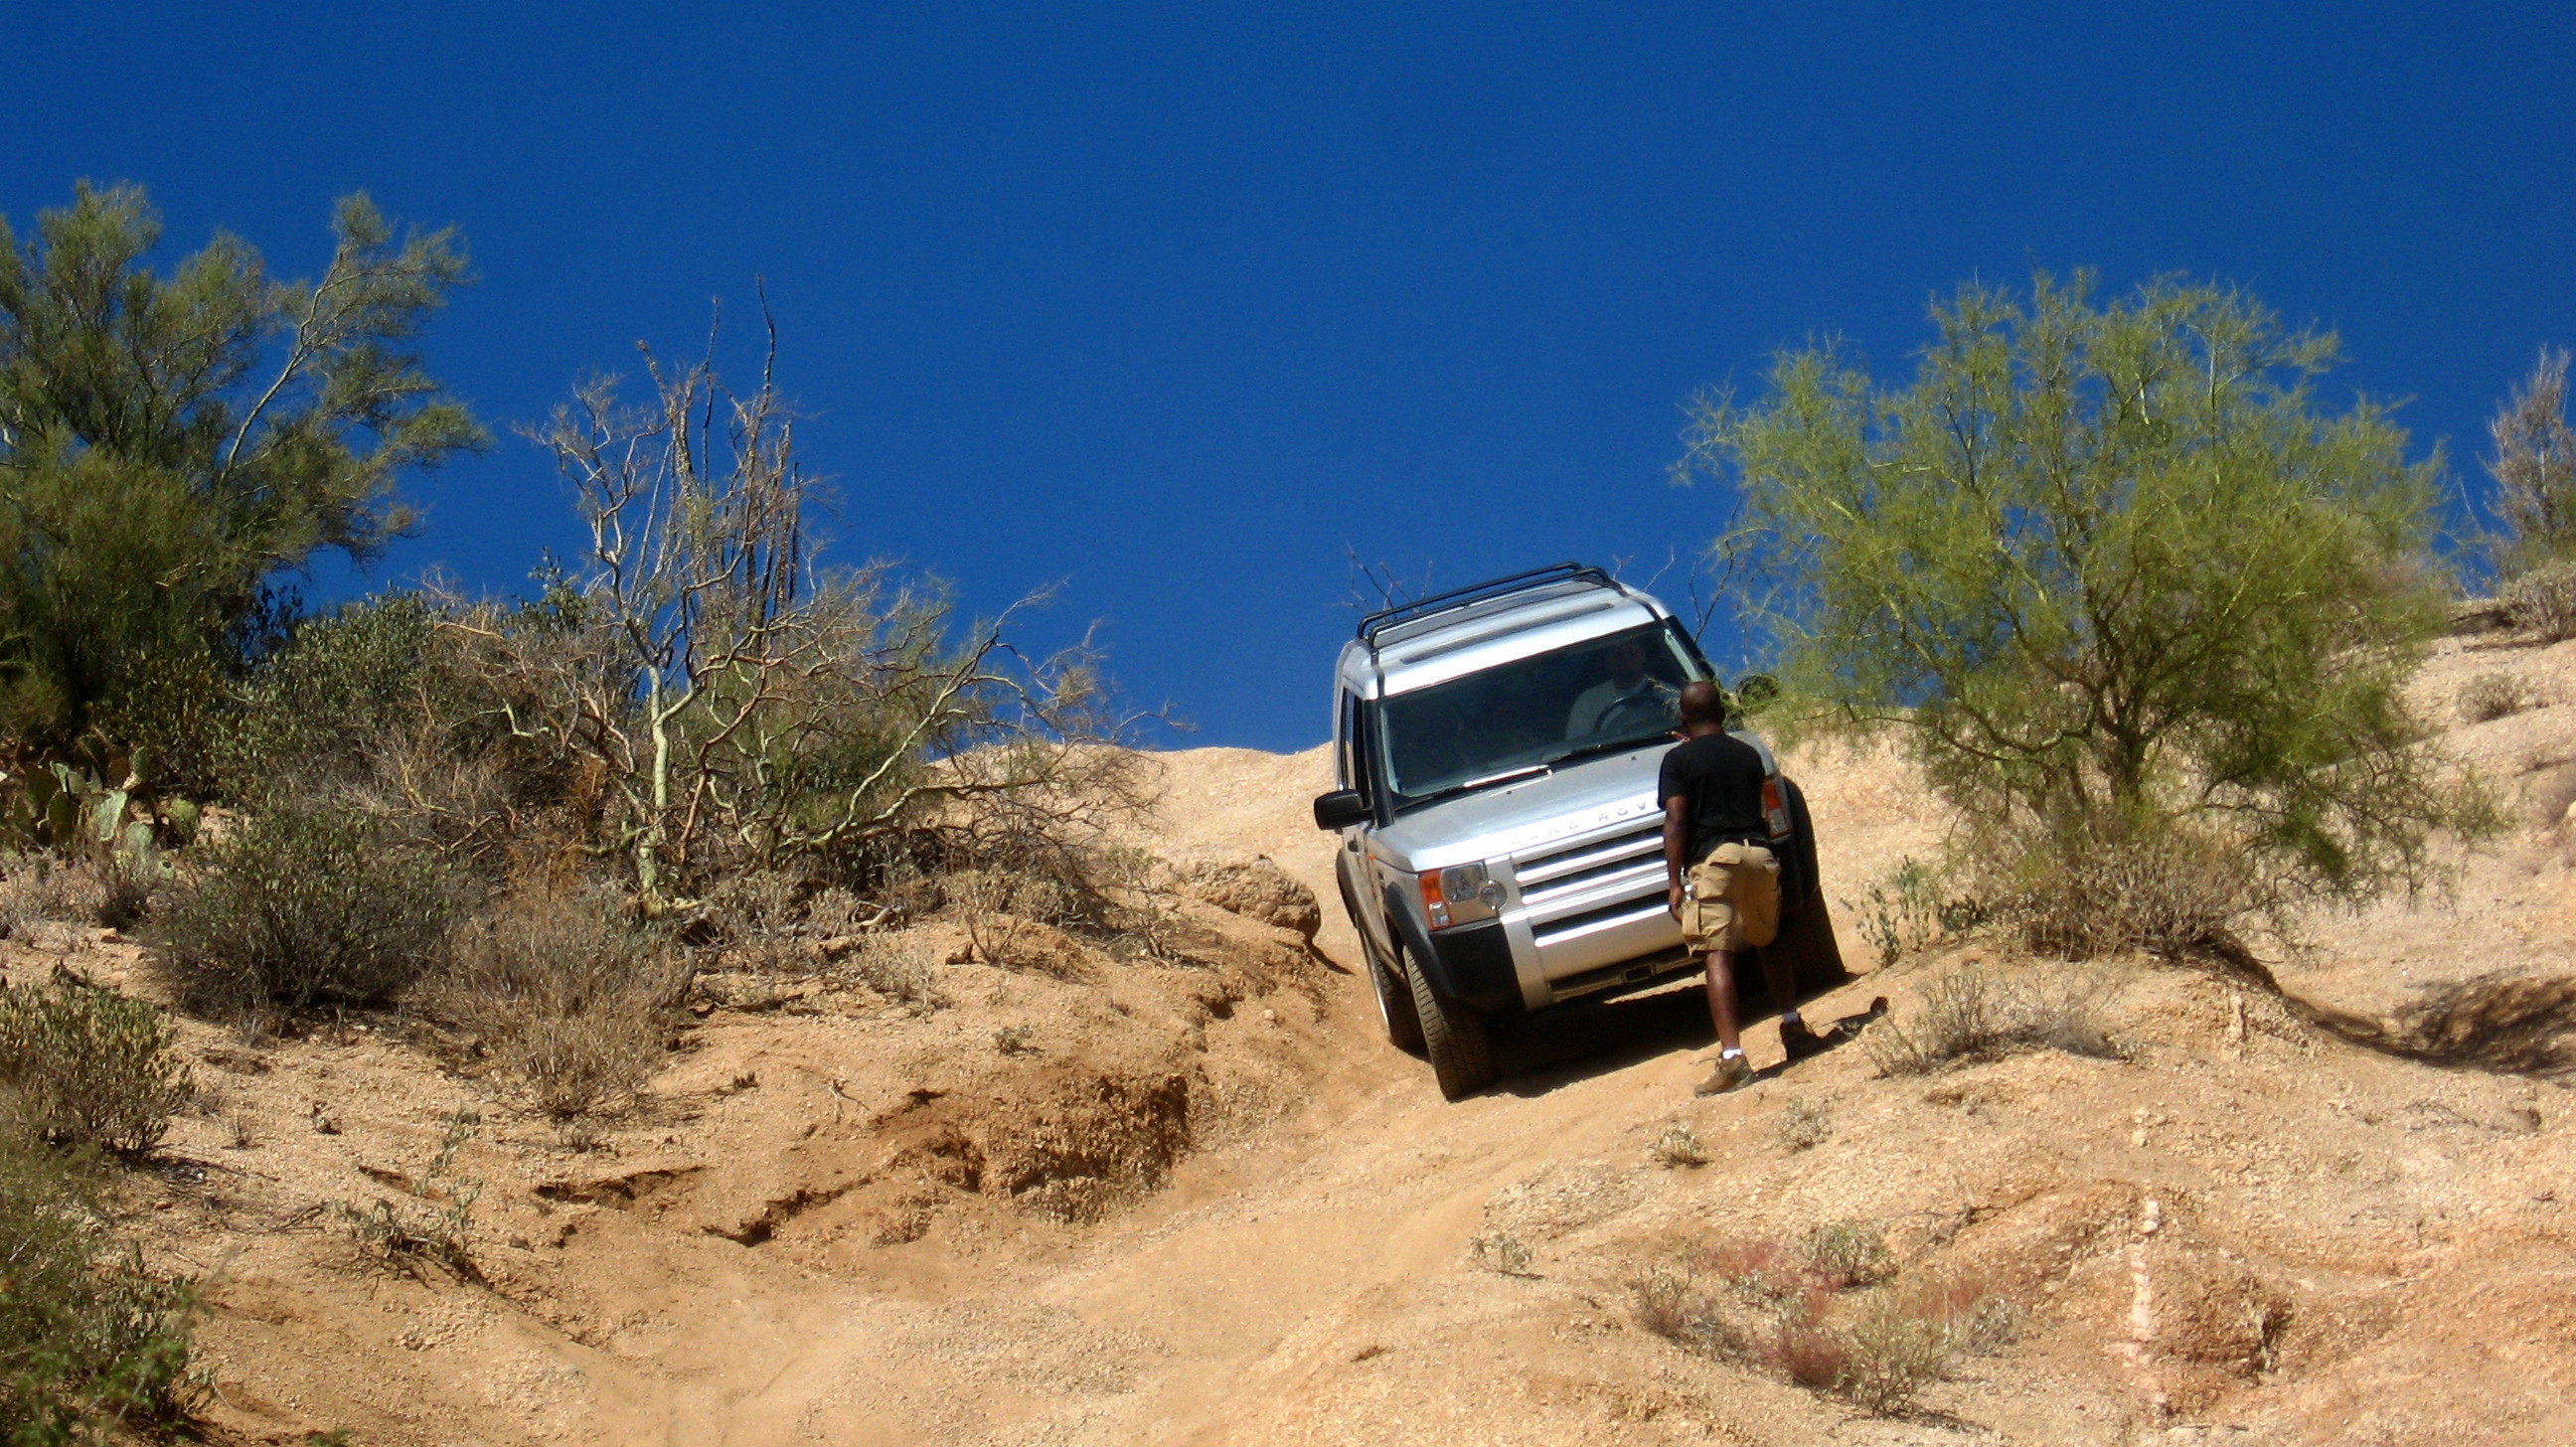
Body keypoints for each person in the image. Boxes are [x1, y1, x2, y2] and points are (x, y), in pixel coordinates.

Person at [1659, 680, 1833, 1094]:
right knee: (1769, 941)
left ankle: (1734, 1059)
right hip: (1759, 854)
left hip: (1716, 860)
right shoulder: (1748, 753)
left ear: (1683, 717)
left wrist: (1674, 882)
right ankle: (1793, 1027)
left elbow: (1677, 817)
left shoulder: (1676, 760)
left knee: (1717, 954)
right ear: (1722, 713)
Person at [1565, 636, 1674, 740]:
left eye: (1631, 652)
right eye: (1618, 653)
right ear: (1607, 659)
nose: (1625, 658)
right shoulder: (1588, 702)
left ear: (1642, 655)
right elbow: (1577, 744)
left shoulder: (1670, 694)